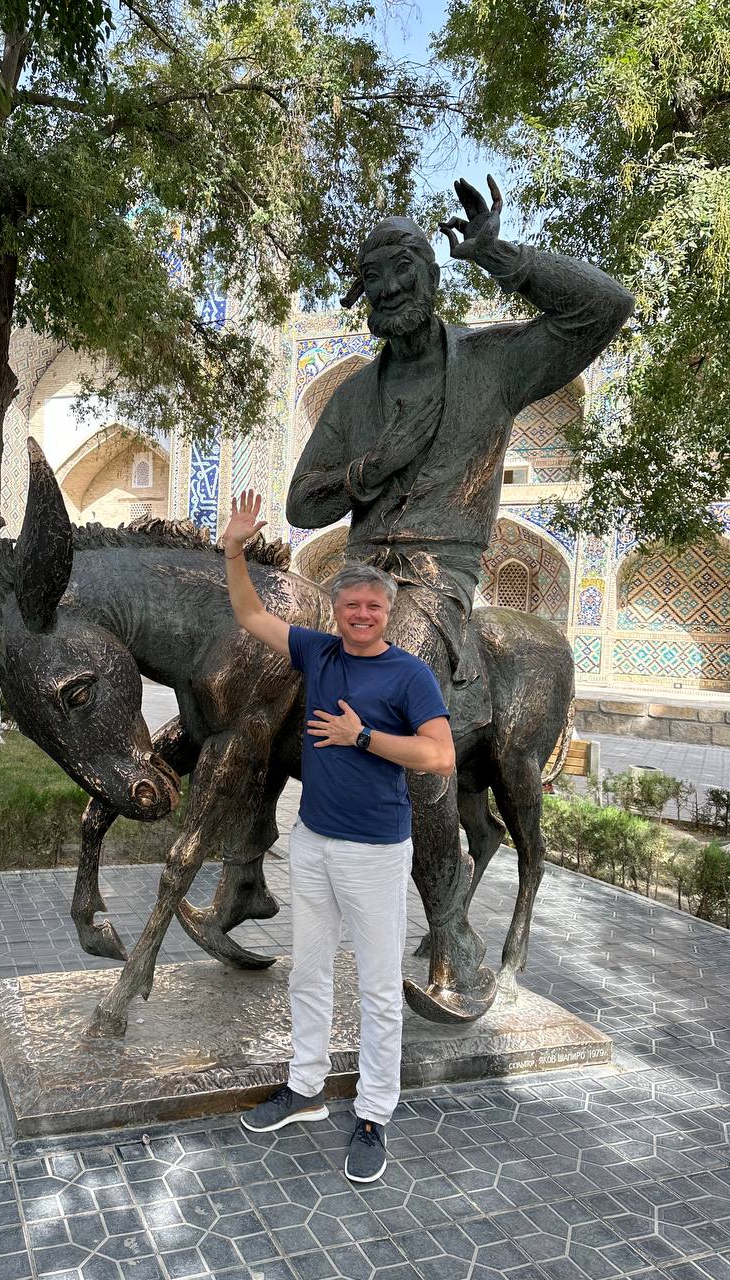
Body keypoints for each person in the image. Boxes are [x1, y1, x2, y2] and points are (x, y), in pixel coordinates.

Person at [285, 177, 634, 1017]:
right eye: (375, 280)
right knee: (250, 673)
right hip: (357, 573)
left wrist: (500, 256)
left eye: (404, 273)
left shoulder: (490, 364)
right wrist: (372, 467)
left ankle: (452, 932)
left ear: (432, 276)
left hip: (437, 577)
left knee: (392, 694)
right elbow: (302, 504)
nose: (391, 291)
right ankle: (240, 880)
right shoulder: (355, 397)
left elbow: (606, 307)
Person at [220, 489, 455, 1184]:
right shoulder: (318, 652)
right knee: (309, 972)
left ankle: (375, 1112)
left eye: (372, 607)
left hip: (376, 853)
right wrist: (234, 550)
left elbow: (439, 755)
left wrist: (364, 736)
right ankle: (305, 1087)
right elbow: (250, 614)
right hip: (314, 841)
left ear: (386, 613)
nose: (361, 614)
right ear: (337, 610)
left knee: (378, 989)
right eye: (351, 605)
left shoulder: (408, 674)